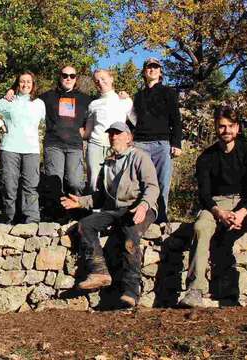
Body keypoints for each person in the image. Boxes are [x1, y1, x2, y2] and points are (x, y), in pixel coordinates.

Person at [178, 106, 247, 308]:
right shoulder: (206, 157)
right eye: (222, 126)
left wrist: (241, 212)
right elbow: (203, 194)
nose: (226, 131)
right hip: (216, 204)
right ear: (216, 127)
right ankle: (195, 289)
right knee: (200, 227)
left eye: (231, 126)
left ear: (237, 128)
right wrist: (218, 213)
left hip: (245, 203)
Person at [61, 122, 159, 308]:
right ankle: (99, 271)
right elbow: (100, 197)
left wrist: (144, 206)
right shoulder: (108, 162)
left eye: (118, 133)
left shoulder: (140, 157)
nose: (114, 137)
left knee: (129, 236)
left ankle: (131, 292)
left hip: (138, 207)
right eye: (111, 134)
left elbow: (152, 187)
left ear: (129, 137)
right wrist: (80, 202)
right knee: (85, 225)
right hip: (115, 209)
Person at [5, 65, 91, 218]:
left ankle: (77, 215)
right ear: (60, 77)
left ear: (76, 78)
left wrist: (123, 97)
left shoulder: (85, 99)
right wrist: (12, 90)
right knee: (54, 184)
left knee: (75, 182)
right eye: (65, 75)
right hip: (53, 145)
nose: (68, 79)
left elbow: (102, 107)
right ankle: (57, 218)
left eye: (72, 76)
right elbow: (26, 95)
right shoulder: (47, 97)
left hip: (75, 146)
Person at [125, 57, 182, 224]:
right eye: (149, 67)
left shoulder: (168, 92)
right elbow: (131, 120)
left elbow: (176, 120)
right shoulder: (138, 96)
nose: (152, 69)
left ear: (160, 71)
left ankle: (161, 218)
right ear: (144, 71)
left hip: (161, 144)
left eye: (156, 67)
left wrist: (176, 143)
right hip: (140, 144)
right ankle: (139, 217)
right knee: (140, 183)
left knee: (162, 183)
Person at [0, 71, 46, 224]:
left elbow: (49, 121)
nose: (25, 84)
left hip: (31, 150)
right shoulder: (9, 100)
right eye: (22, 81)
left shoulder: (39, 103)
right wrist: (0, 125)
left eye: (28, 82)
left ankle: (31, 220)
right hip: (10, 148)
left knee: (31, 187)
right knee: (9, 185)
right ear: (17, 83)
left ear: (33, 85)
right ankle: (10, 219)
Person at [84, 69, 134, 191]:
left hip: (116, 147)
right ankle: (92, 209)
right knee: (94, 183)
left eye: (103, 79)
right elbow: (87, 131)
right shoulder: (93, 104)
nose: (100, 82)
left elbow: (136, 123)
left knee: (115, 183)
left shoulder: (125, 101)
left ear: (111, 79)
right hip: (95, 146)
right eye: (97, 81)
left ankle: (111, 209)